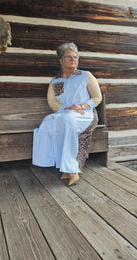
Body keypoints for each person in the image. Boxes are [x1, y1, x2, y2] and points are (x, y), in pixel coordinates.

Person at [32, 42, 102, 185]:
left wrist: (81, 105)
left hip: (86, 114)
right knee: (47, 121)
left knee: (68, 122)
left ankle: (71, 170)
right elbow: (52, 102)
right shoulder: (56, 81)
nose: (73, 60)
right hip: (65, 114)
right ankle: (52, 162)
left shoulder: (85, 76)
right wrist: (66, 108)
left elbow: (97, 97)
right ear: (61, 60)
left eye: (75, 57)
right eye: (69, 57)